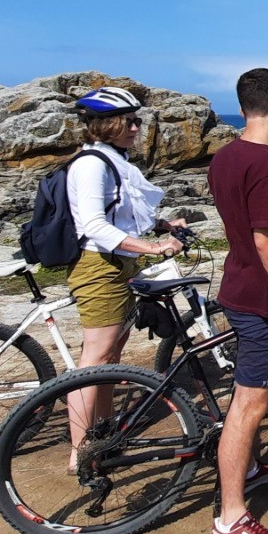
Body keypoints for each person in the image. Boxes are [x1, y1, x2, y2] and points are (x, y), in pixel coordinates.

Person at [66, 86, 186, 472]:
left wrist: (163, 224)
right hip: (100, 267)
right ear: (109, 124)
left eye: (138, 120)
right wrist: (151, 248)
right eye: (131, 121)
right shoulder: (91, 165)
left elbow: (122, 210)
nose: (138, 127)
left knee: (110, 358)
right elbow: (94, 226)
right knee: (94, 360)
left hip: (118, 266)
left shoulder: (112, 160)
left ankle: (101, 429)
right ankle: (80, 450)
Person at [207, 68, 268, 534]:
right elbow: (266, 239)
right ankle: (231, 521)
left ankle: (247, 466)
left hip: (235, 286)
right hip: (261, 298)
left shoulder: (225, 157)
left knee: (246, 394)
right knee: (249, 403)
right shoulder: (264, 164)